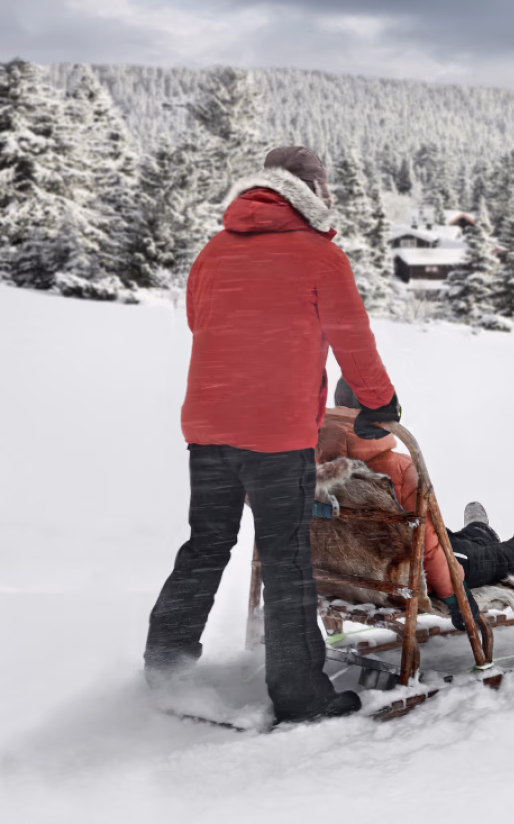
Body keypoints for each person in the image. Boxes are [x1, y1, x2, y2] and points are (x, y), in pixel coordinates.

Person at [145, 147, 401, 725]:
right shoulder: (320, 256)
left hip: (209, 427)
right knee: (286, 557)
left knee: (206, 545)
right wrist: (379, 402)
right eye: (324, 185)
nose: (329, 194)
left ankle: (165, 667)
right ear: (309, 189)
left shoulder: (214, 249)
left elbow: (200, 321)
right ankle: (300, 695)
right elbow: (352, 338)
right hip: (277, 435)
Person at [317, 378, 514, 628]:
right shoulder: (397, 467)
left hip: (348, 578)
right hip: (402, 580)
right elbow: (429, 545)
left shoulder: (311, 465)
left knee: (449, 540)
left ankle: (478, 532)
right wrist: (455, 598)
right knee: (492, 557)